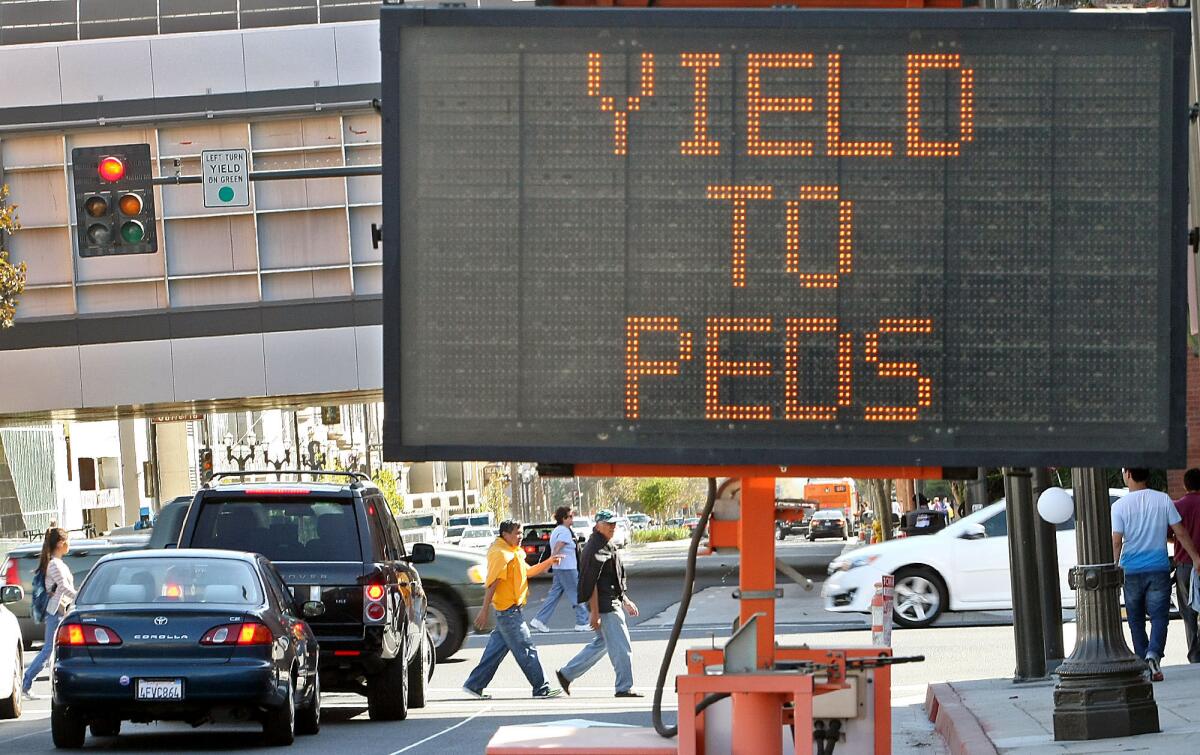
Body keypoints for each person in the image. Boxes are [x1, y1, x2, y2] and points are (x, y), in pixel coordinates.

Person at [1112, 468, 1200, 682]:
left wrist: (1113, 567)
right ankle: (1154, 654)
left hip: (1131, 570)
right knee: (1160, 617)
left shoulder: (1119, 506)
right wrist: (1195, 557)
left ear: (1128, 475)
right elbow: (1180, 532)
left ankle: (1144, 661)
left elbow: (1116, 541)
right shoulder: (1163, 500)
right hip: (1158, 568)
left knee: (1135, 619)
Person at [463, 520, 563, 699]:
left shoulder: (513, 552)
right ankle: (542, 688)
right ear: (505, 534)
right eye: (517, 533)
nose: (520, 537)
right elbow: (492, 583)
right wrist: (484, 610)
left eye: (521, 533)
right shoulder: (501, 554)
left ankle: (474, 685)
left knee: (494, 653)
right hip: (508, 612)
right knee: (526, 648)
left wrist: (549, 560)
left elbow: (529, 572)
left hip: (509, 612)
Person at [555, 510, 641, 698]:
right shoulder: (594, 548)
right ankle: (624, 687)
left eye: (614, 524)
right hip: (604, 605)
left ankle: (567, 674)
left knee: (603, 643)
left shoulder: (605, 544)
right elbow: (590, 582)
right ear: (597, 525)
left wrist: (625, 599)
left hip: (609, 601)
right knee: (621, 646)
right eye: (608, 523)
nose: (613, 527)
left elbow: (614, 578)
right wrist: (594, 612)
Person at [22, 527, 76, 700]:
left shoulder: (57, 563)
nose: (69, 544)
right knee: (48, 650)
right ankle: (26, 682)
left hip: (61, 611)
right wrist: (81, 597)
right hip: (56, 612)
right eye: (67, 541)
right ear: (61, 543)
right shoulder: (54, 564)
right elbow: (64, 587)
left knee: (54, 651)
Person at [530, 506, 590, 634]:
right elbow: (557, 547)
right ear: (564, 518)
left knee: (554, 595)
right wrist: (549, 562)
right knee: (577, 593)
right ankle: (582, 622)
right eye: (570, 516)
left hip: (560, 568)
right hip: (567, 568)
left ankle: (539, 620)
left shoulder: (557, 530)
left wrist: (550, 563)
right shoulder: (564, 531)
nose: (572, 519)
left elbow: (554, 548)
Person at [1173, 468, 1200, 663]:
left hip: (1184, 565)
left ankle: (1194, 655)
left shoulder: (1178, 506)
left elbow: (1169, 533)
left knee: (1188, 613)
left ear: (1185, 485)